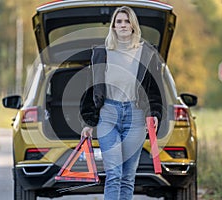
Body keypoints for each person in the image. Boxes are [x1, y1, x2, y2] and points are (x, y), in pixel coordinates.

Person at [80, 6, 164, 200]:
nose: (123, 25)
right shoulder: (102, 52)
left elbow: (154, 89)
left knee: (127, 177)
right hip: (108, 115)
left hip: (136, 117)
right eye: (119, 21)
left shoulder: (146, 53)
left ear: (133, 25)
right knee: (114, 174)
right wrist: (88, 122)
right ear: (113, 26)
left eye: (127, 21)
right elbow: (91, 88)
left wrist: (155, 114)